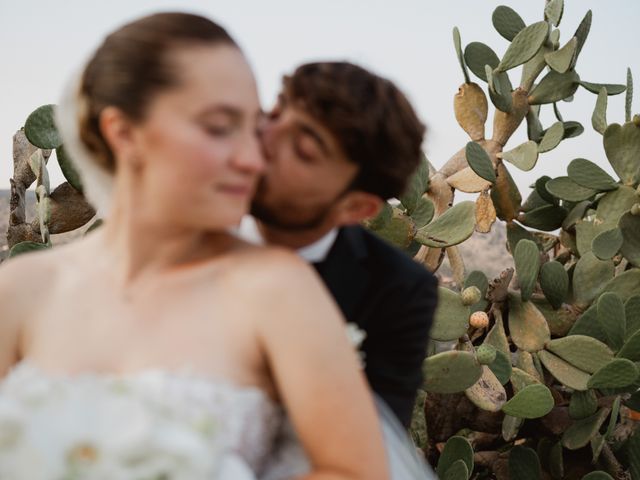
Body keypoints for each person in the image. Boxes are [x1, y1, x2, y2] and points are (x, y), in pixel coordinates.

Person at [0, 13, 389, 480]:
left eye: (253, 127)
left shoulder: (280, 291)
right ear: (123, 133)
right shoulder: (21, 289)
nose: (251, 159)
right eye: (220, 126)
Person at [243, 61, 439, 428]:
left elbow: (376, 441)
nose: (264, 136)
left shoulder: (400, 291)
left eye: (303, 148)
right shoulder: (183, 221)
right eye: (275, 110)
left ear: (355, 207)